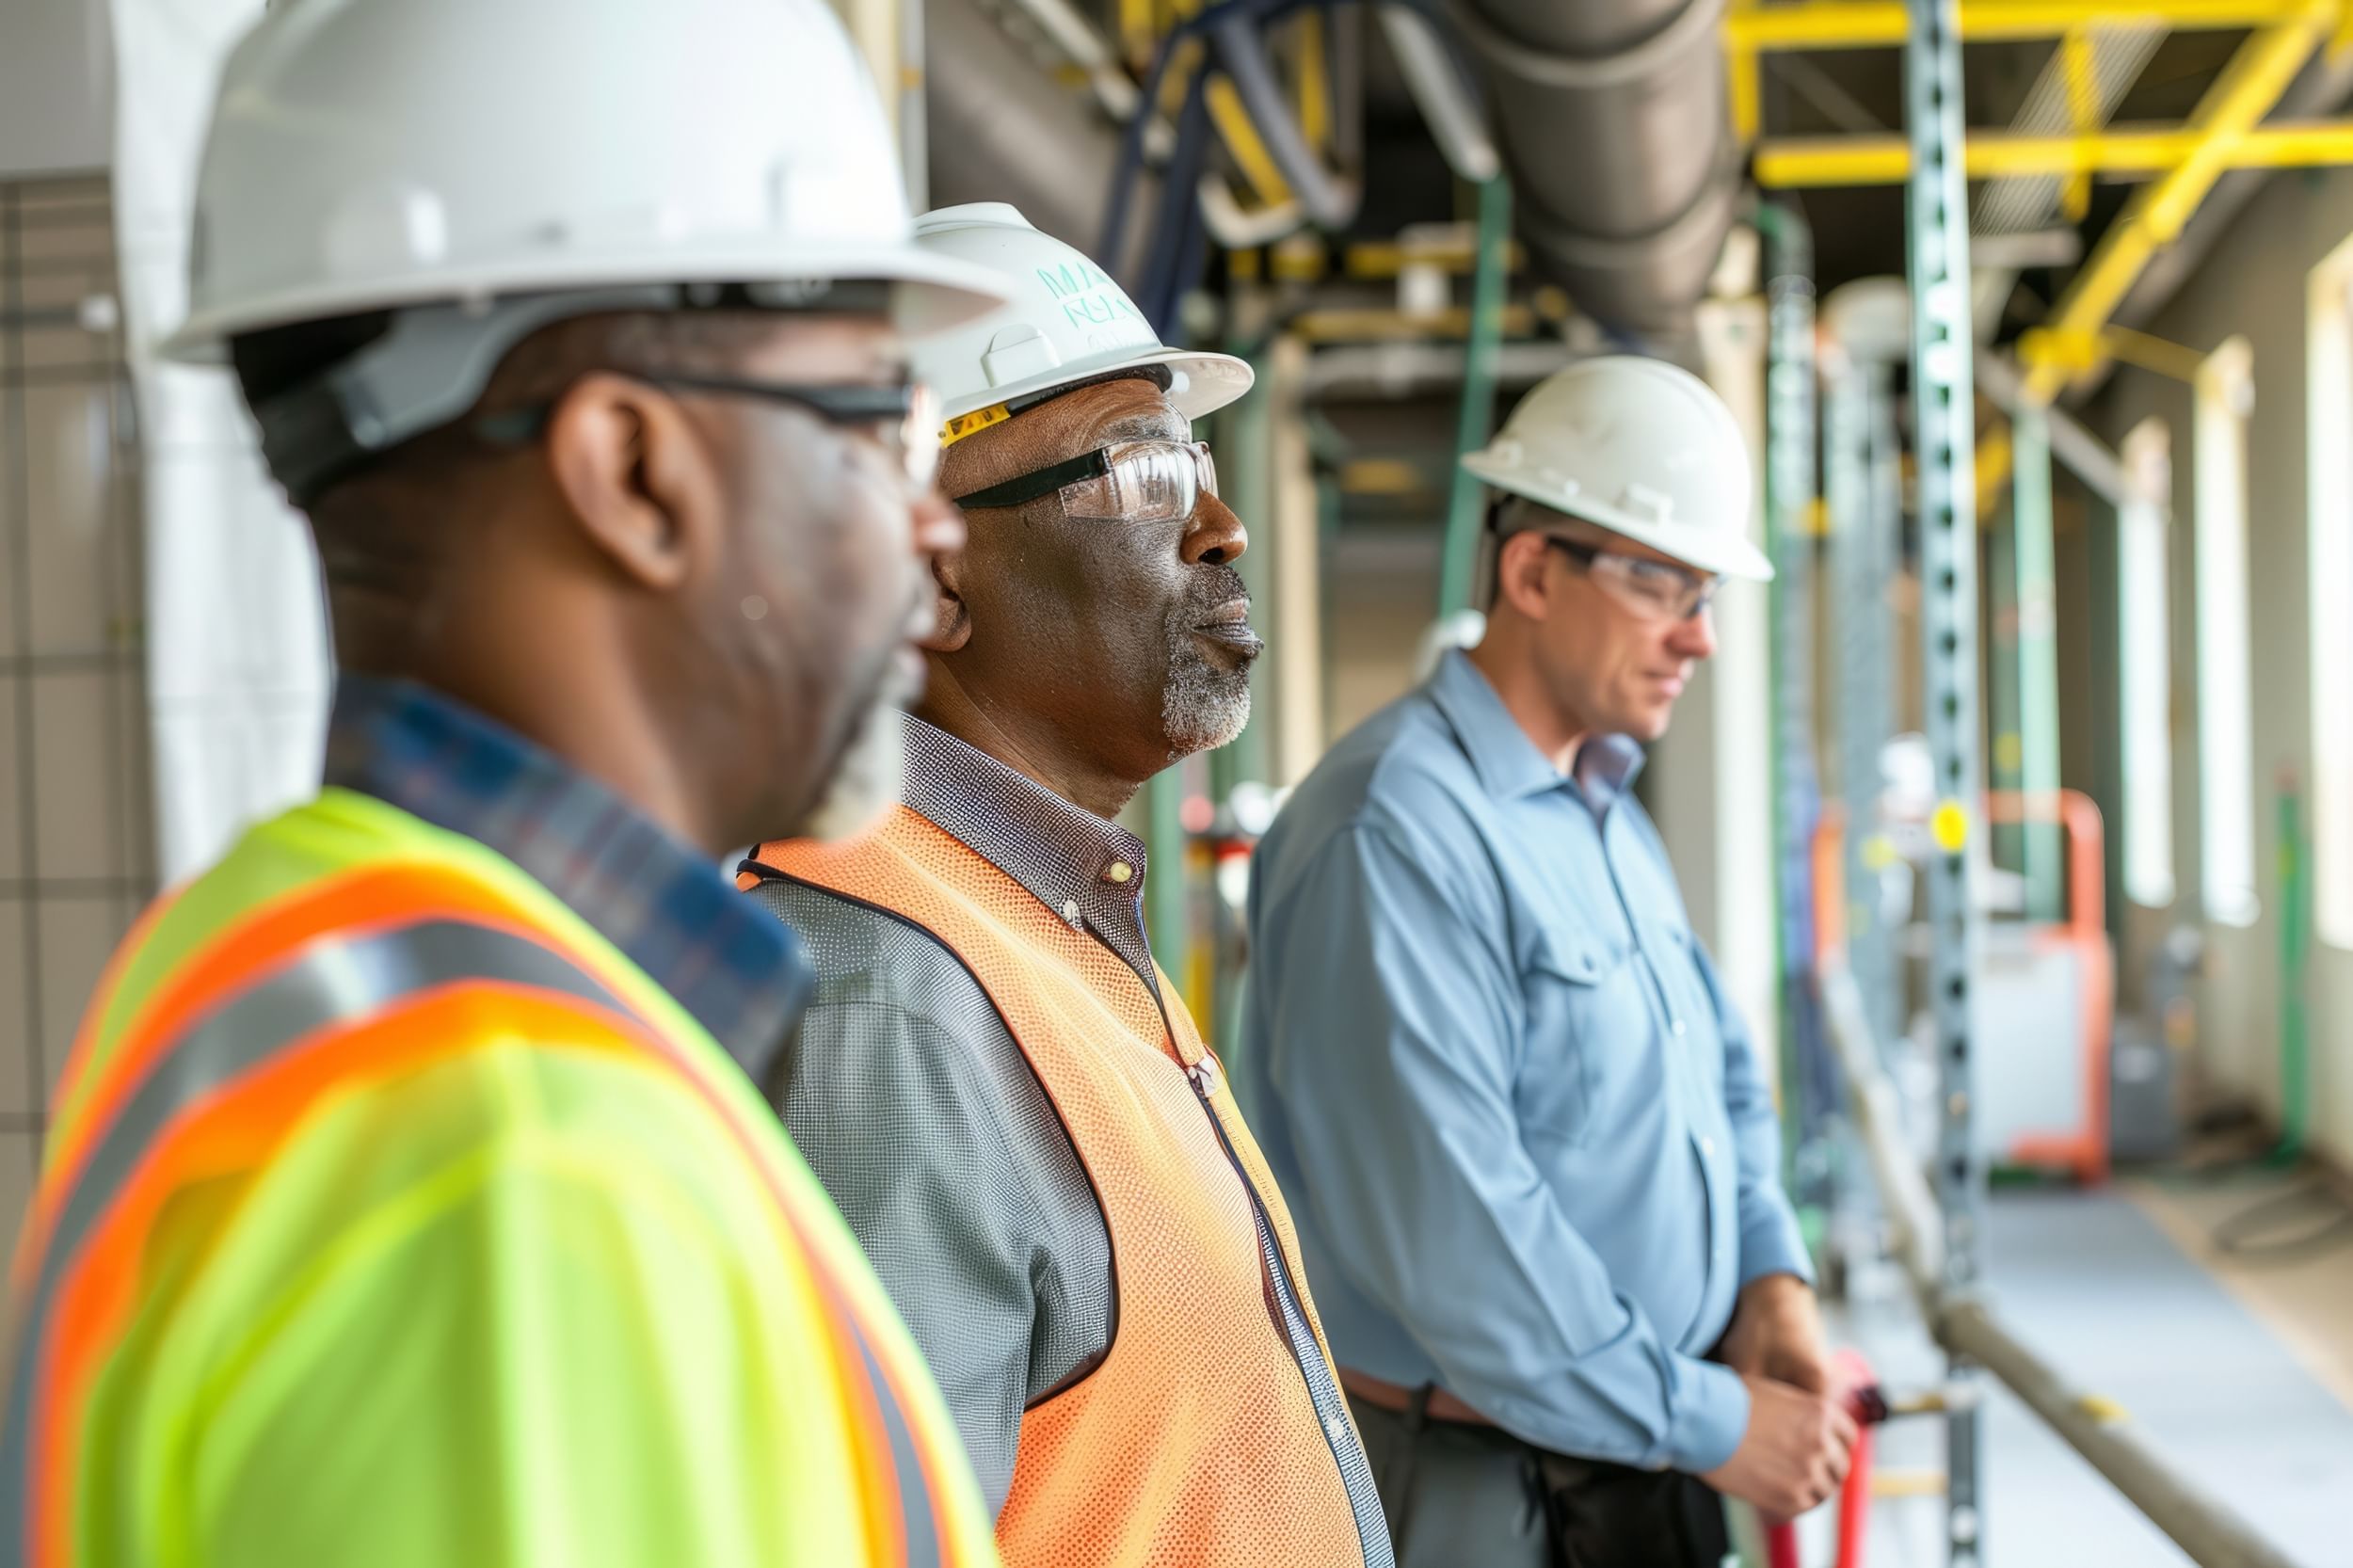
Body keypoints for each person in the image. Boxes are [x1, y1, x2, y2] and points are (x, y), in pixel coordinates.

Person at [0, 4, 1014, 1565]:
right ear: (631, 470)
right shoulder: (528, 1160)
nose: (933, 529)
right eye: (883, 425)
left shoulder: (276, 958)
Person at [739, 204, 1393, 1568]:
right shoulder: (880, 998)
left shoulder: (1043, 914)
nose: (1221, 526)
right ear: (930, 579)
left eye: (1194, 461)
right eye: (1143, 474)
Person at [1240, 357, 1857, 1567]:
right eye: (1661, 585)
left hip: (1640, 1455)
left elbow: (1717, 1083)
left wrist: (1769, 1278)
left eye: (1707, 592)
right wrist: (1716, 1419)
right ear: (1531, 570)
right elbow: (1459, 1235)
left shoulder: (1602, 813)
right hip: (1472, 1485)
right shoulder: (1394, 832)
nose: (1700, 637)